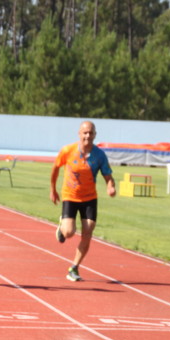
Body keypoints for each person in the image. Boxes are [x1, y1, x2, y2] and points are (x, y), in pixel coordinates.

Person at [50, 121, 115, 282]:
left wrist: (111, 187)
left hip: (89, 198)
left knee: (88, 232)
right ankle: (62, 227)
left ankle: (74, 267)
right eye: (85, 133)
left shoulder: (99, 155)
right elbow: (55, 169)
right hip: (70, 196)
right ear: (79, 134)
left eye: (91, 133)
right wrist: (53, 189)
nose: (88, 136)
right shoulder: (68, 150)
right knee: (69, 233)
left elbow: (108, 176)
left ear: (95, 135)